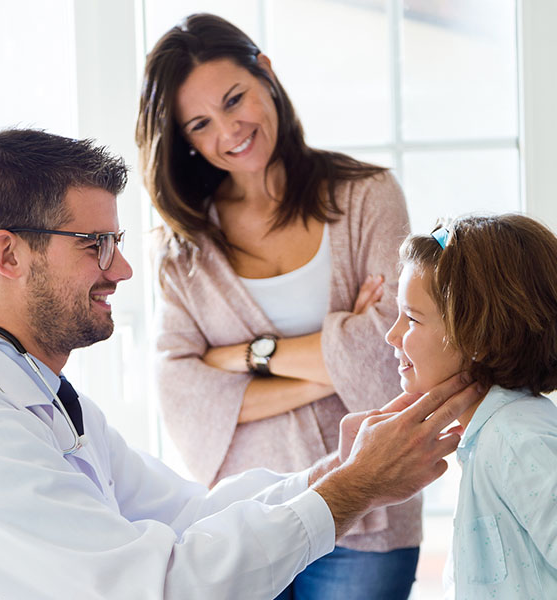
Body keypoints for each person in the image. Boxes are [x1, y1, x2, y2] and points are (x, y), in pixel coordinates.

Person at [0, 128, 480, 599]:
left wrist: (340, 469)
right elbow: (161, 588)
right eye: (94, 245)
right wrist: (356, 485)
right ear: (8, 255)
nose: (122, 268)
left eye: (114, 242)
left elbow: (191, 515)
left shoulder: (57, 405)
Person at [136, 14, 419, 598]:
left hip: (368, 513)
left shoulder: (368, 197)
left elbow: (396, 355)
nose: (229, 130)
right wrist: (338, 353)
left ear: (265, 73)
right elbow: (181, 392)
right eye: (201, 124)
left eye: (235, 98)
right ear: (185, 140)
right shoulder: (183, 251)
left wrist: (242, 358)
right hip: (246, 524)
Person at [385, 214, 557, 599]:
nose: (391, 334)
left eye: (411, 318)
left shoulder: (516, 439)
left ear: (478, 335)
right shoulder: (492, 434)